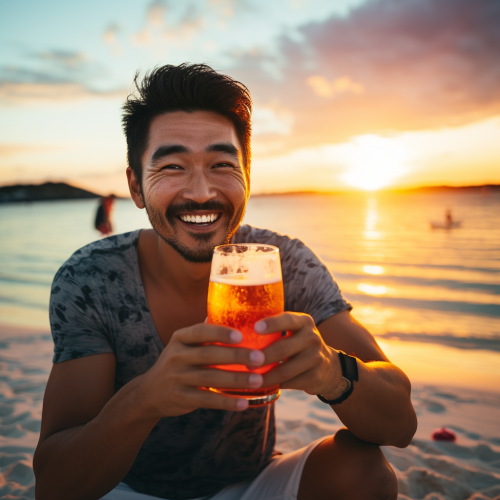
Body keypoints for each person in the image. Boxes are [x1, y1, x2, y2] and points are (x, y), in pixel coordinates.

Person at [34, 64, 417, 500]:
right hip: (125, 488)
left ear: (247, 178)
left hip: (251, 484)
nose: (200, 192)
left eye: (221, 164)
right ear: (136, 187)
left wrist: (334, 373)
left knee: (364, 471)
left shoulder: (282, 263)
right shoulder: (92, 277)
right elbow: (53, 484)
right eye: (173, 166)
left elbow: (402, 423)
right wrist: (145, 399)